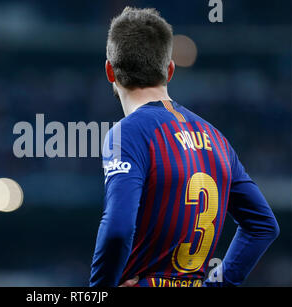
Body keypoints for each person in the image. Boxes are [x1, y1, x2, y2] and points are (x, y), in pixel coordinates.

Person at [89, 7, 279, 287]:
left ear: (109, 71)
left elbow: (118, 229)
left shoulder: (128, 133)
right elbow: (263, 226)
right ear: (169, 70)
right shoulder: (217, 138)